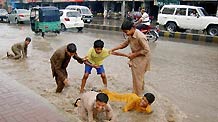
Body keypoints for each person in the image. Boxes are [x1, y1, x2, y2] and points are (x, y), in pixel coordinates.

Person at [110, 20, 151, 96]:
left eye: (126, 31)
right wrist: (113, 49)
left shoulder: (140, 36)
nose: (126, 34)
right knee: (139, 77)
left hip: (142, 58)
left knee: (137, 78)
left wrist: (134, 55)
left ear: (133, 28)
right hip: (136, 57)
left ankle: (137, 96)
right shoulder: (130, 35)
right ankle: (140, 92)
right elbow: (124, 44)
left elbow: (146, 50)